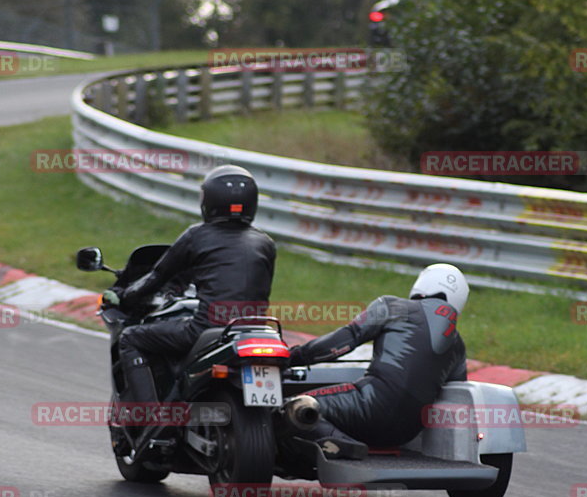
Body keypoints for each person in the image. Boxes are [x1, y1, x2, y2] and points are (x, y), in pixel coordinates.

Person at [107, 165, 276, 418]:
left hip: (206, 329)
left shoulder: (197, 236)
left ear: (209, 201)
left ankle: (151, 416)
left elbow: (156, 276)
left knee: (131, 338)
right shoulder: (266, 243)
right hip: (255, 331)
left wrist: (125, 295)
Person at [284, 263, 469, 459]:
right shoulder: (458, 346)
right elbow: (456, 393)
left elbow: (343, 341)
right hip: (408, 430)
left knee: (294, 409)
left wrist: (294, 357)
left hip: (370, 405)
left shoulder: (394, 307)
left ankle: (344, 444)